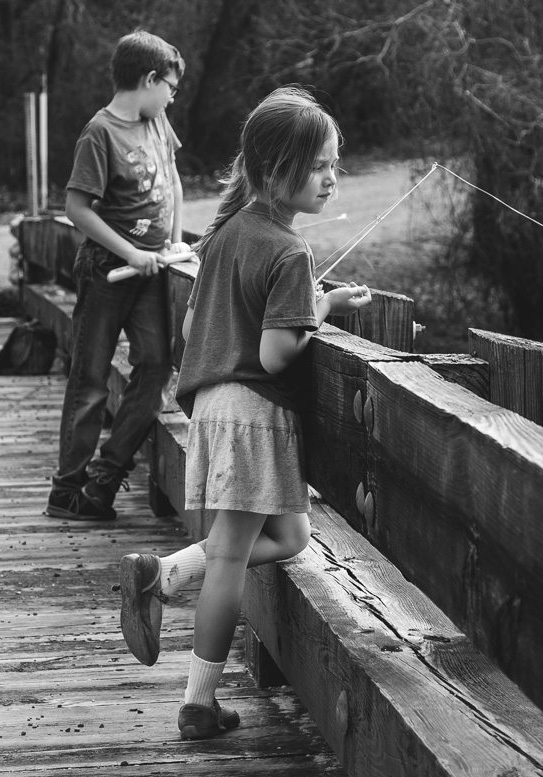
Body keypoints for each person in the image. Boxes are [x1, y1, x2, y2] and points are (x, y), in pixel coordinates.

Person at [118, 86, 372, 740]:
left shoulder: (229, 232)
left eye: (334, 165)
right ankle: (198, 703)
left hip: (215, 411)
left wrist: (312, 305)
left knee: (292, 538)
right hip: (256, 413)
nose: (331, 179)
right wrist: (318, 312)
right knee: (232, 555)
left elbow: (202, 320)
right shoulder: (291, 251)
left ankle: (167, 574)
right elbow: (277, 349)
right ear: (272, 170)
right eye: (318, 166)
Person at [46, 30, 194, 521]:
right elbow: (76, 208)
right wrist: (130, 251)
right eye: (170, 86)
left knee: (155, 367)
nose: (173, 95)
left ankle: (106, 475)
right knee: (90, 379)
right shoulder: (100, 133)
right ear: (148, 79)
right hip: (107, 271)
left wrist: (172, 240)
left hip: (151, 272)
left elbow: (171, 179)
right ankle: (67, 490)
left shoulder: (157, 121)